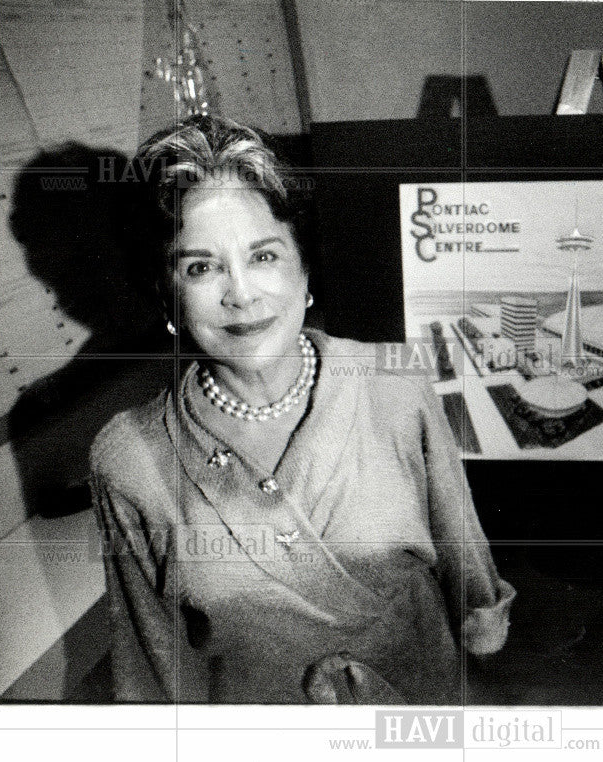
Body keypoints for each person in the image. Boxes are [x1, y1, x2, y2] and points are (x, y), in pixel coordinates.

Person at [88, 115, 515, 704]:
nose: (240, 293)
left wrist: (482, 627)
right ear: (169, 296)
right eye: (201, 267)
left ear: (305, 271)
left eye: (263, 257)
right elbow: (151, 662)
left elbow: (460, 542)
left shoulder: (392, 382)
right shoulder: (130, 459)